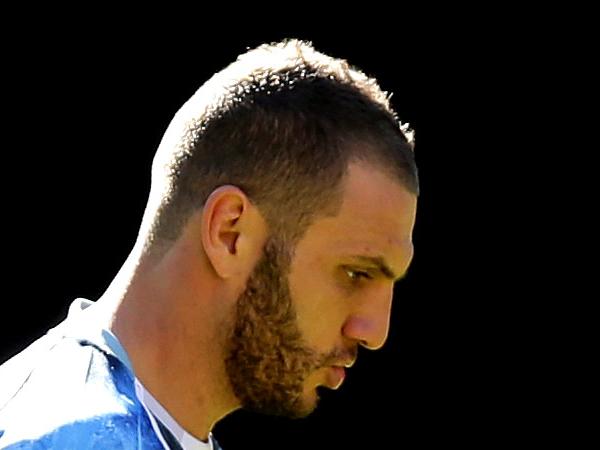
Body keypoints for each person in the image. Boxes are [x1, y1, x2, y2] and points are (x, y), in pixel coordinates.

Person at [0, 39, 419, 449]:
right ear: (229, 232)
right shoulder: (70, 436)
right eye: (356, 273)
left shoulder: (125, 425)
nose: (375, 332)